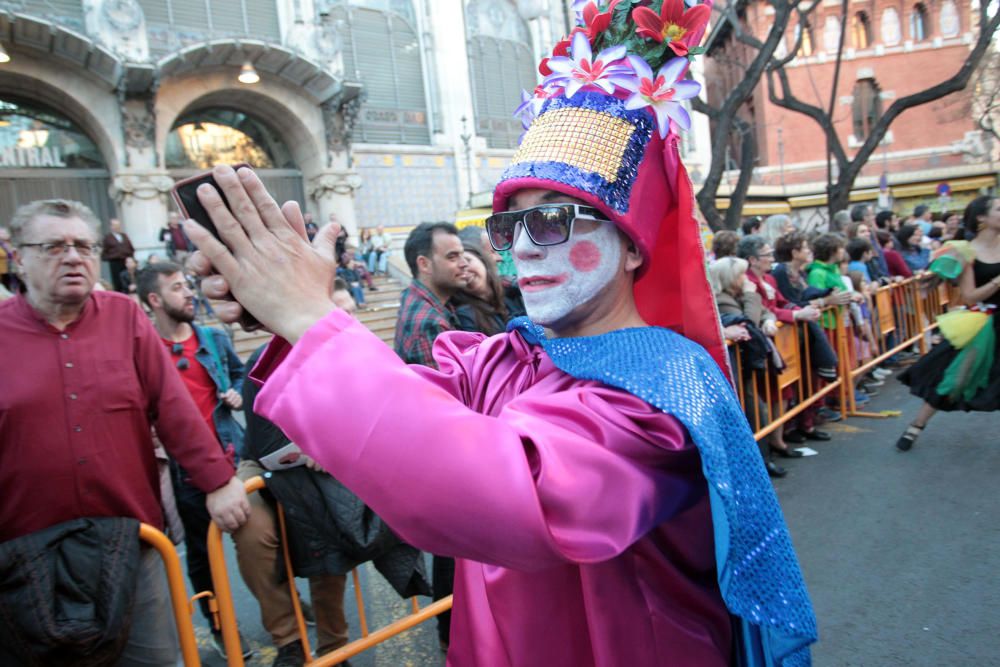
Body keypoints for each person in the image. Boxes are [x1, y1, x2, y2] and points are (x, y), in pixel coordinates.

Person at [182, 18, 817, 662]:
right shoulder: (510, 355)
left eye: (552, 218)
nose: (519, 246)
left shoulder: (666, 392)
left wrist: (311, 322)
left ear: (630, 245)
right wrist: (288, 319)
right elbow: (406, 410)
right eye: (511, 222)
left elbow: (500, 489)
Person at [0, 199, 249, 666]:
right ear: (18, 256)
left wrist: (217, 480)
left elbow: (170, 404)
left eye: (84, 246)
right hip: (25, 554)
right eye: (53, 246)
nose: (73, 257)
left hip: (131, 541)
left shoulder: (123, 316)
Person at [232, 279, 358, 667]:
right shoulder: (264, 360)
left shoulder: (356, 360)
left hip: (325, 469)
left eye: (351, 315)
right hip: (266, 466)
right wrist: (314, 447)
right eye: (337, 316)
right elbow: (266, 444)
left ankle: (334, 645)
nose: (347, 325)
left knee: (326, 526)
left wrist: (331, 445)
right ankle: (289, 638)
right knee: (248, 523)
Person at [137, 261, 251, 660]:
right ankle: (221, 626)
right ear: (154, 300)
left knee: (259, 543)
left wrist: (235, 391)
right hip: (185, 474)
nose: (189, 292)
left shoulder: (214, 340)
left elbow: (240, 375)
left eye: (187, 285)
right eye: (176, 287)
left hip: (234, 457)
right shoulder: (142, 349)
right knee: (204, 559)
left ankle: (284, 611)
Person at [896, 196, 1000, 451]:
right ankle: (916, 426)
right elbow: (969, 296)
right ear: (981, 218)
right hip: (985, 322)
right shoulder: (966, 251)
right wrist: (998, 282)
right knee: (955, 377)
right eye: (999, 208)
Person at [393, 222, 469, 367]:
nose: (464, 263)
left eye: (462, 255)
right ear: (424, 264)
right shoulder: (430, 325)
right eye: (453, 257)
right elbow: (447, 388)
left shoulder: (414, 296)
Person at [453, 245, 510, 336]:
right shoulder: (465, 315)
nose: (464, 270)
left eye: (468, 260)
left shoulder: (512, 292)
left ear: (482, 260)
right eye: (459, 268)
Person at [102, 217, 135, 292]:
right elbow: (104, 253)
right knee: (118, 282)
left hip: (126, 261)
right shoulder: (108, 238)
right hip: (115, 263)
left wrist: (131, 258)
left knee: (128, 279)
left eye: (118, 225)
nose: (117, 227)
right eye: (115, 225)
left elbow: (131, 248)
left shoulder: (124, 236)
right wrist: (113, 256)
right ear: (111, 227)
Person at [0, 224, 19, 292]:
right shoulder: (2, 245)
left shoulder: (10, 243)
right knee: (6, 286)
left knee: (14, 284)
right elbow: (5, 255)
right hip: (3, 270)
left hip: (13, 268)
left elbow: (13, 253)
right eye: (2, 233)